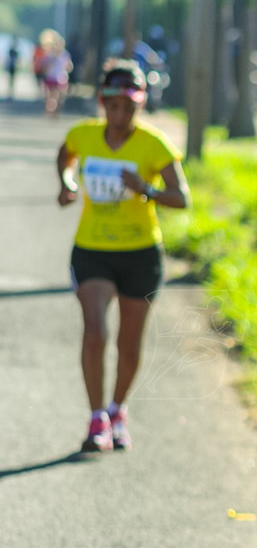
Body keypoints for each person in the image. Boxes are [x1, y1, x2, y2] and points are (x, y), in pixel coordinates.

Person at [56, 59, 190, 453]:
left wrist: (144, 189)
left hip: (140, 254)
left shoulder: (154, 144)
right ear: (103, 102)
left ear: (140, 105)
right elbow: (65, 157)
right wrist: (66, 184)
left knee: (129, 346)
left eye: (129, 107)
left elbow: (181, 198)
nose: (120, 115)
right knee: (96, 332)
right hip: (93, 250)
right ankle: (97, 417)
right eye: (113, 106)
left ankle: (117, 410)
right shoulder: (84, 135)